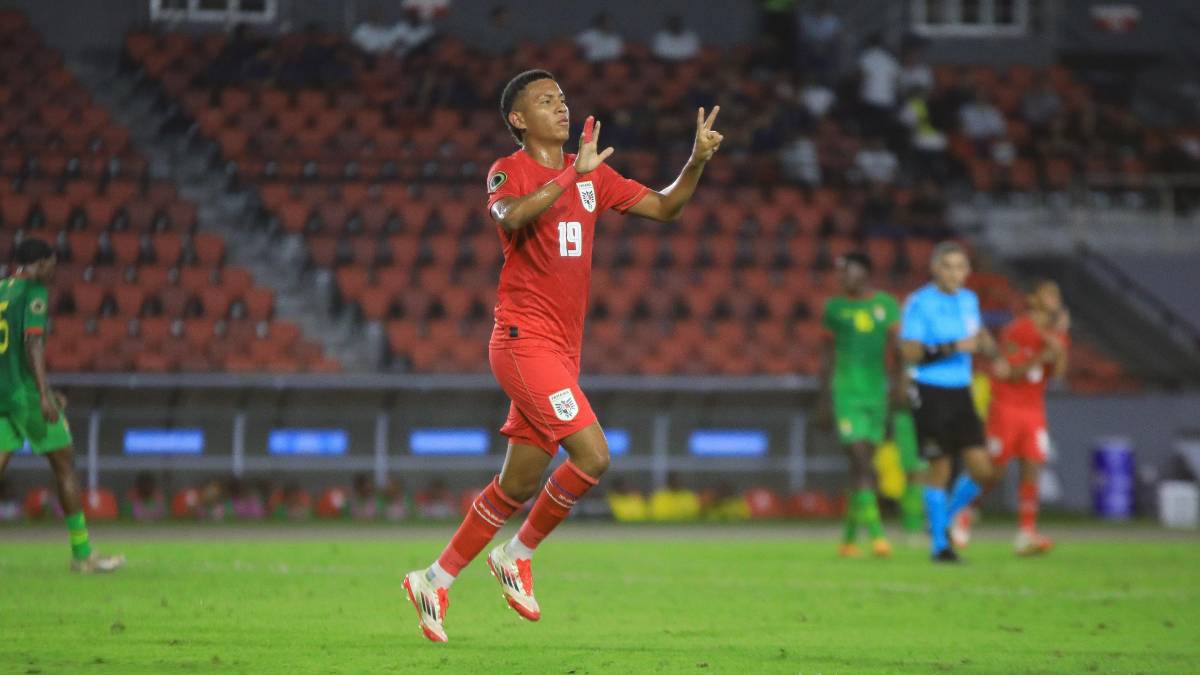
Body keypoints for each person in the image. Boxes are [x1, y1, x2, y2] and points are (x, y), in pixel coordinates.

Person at [402, 69, 723, 642]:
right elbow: (511, 215)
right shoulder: (509, 170)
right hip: (522, 341)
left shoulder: (593, 173)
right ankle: (517, 554)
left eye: (563, 98)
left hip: (561, 351)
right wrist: (569, 177)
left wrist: (695, 160)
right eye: (545, 100)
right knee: (593, 456)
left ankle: (433, 579)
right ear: (519, 119)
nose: (561, 107)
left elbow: (667, 207)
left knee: (516, 486)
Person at [0, 238, 124, 573]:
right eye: (52, 265)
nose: (54, 271)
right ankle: (82, 554)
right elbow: (32, 342)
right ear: (39, 264)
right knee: (65, 464)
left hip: (1, 392)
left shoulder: (1, 290)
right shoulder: (34, 292)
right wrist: (44, 394)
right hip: (25, 395)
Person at [898, 241, 999, 563]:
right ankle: (940, 547)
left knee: (983, 469)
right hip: (929, 390)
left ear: (968, 271)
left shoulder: (969, 300)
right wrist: (955, 346)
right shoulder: (920, 302)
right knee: (940, 468)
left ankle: (940, 520)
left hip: (962, 391)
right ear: (935, 269)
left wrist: (989, 348)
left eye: (960, 267)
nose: (955, 273)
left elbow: (979, 337)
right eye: (948, 267)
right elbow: (910, 352)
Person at [973, 280, 1070, 555]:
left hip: (1033, 409)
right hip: (1006, 405)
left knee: (1033, 466)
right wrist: (1042, 355)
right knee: (994, 471)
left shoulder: (1056, 333)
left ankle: (1026, 533)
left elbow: (1059, 374)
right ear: (1033, 299)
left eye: (1056, 295)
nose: (1054, 299)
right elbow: (1010, 373)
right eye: (1047, 294)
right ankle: (963, 513)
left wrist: (1059, 348)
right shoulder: (1017, 329)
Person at [819, 252, 901, 558]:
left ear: (864, 271)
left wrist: (901, 385)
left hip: (876, 394)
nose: (842, 277)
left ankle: (849, 539)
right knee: (861, 460)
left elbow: (898, 350)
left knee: (863, 465)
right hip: (846, 393)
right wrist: (824, 398)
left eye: (847, 271)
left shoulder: (886, 305)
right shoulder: (834, 308)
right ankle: (878, 536)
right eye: (839, 273)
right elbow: (826, 355)